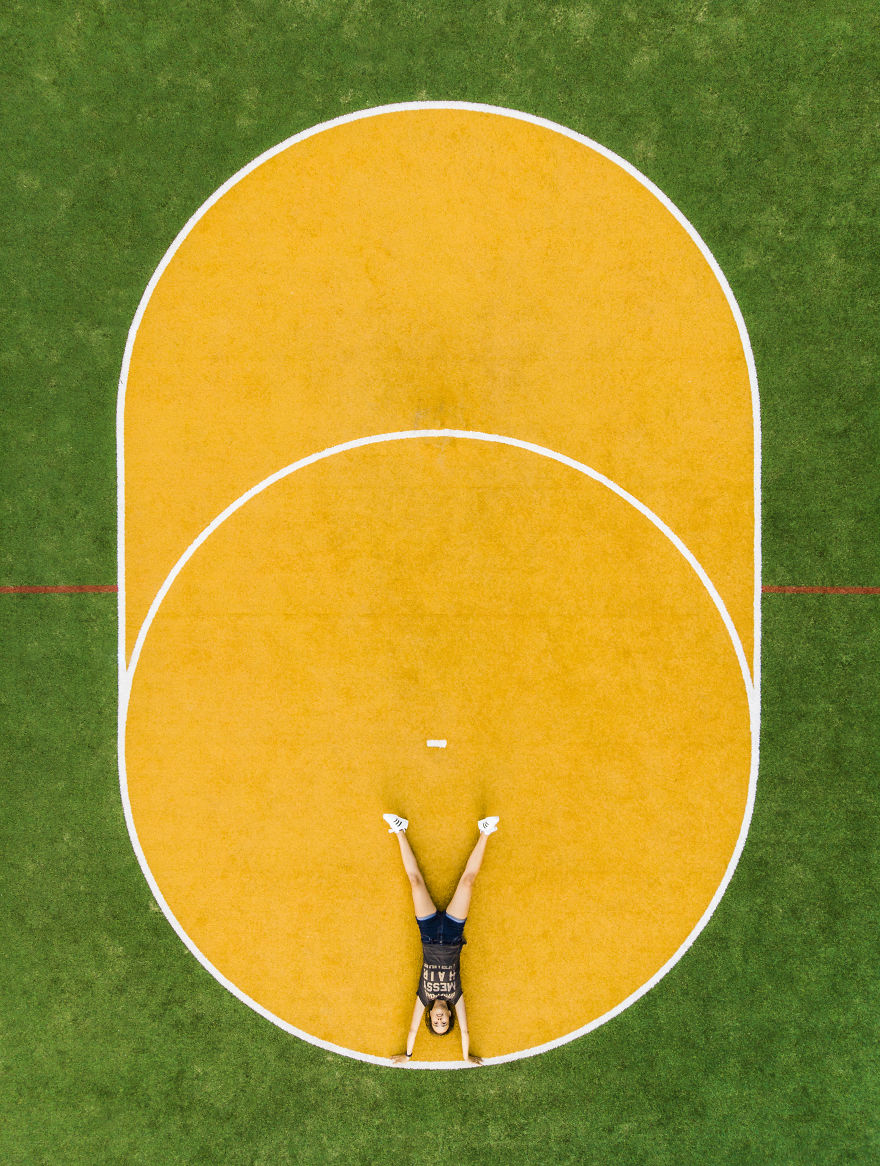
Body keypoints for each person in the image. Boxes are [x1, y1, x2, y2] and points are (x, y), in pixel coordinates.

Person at [384, 813, 499, 1067]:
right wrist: (466, 1057)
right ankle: (485, 832)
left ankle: (400, 830)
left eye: (436, 1023)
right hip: (452, 933)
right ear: (449, 1015)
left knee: (415, 882)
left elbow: (412, 1030)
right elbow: (465, 1031)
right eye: (444, 1022)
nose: (439, 1020)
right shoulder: (455, 996)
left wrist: (408, 1055)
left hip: (427, 933)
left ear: (430, 1017)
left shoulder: (423, 997)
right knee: (467, 882)